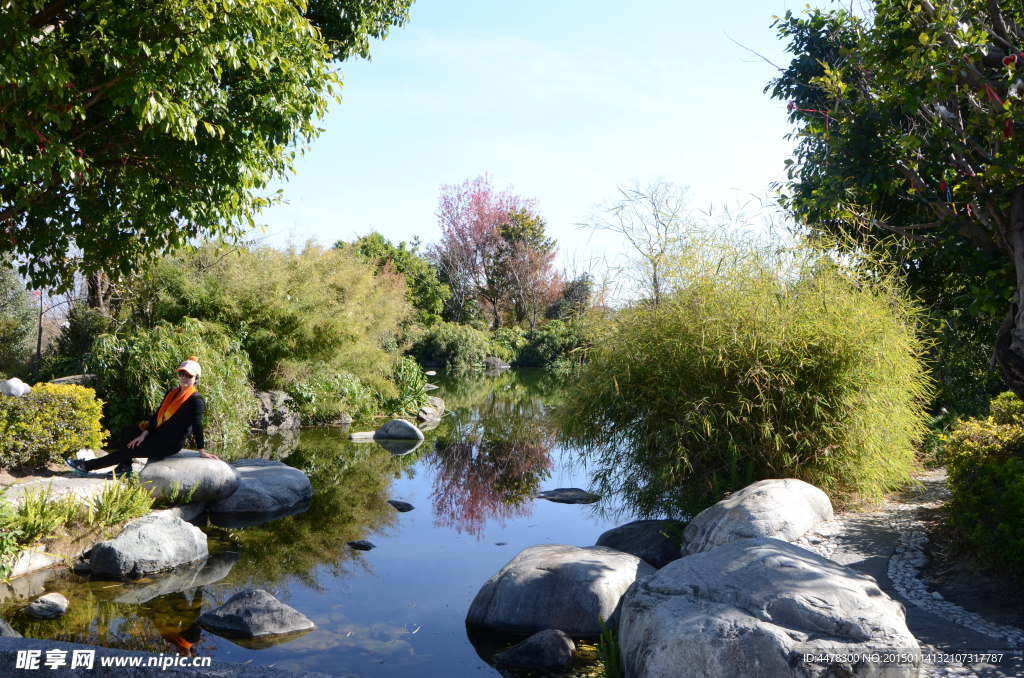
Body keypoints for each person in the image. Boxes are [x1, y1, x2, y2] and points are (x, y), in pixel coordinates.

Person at [65, 356, 218, 478]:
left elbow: (197, 425)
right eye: (181, 373)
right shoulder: (173, 392)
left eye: (189, 375)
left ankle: (86, 466)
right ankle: (125, 467)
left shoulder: (195, 400)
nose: (184, 377)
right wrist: (144, 434)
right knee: (128, 432)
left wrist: (201, 450)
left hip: (169, 443)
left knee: (129, 450)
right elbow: (157, 415)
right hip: (158, 434)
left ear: (196, 378)